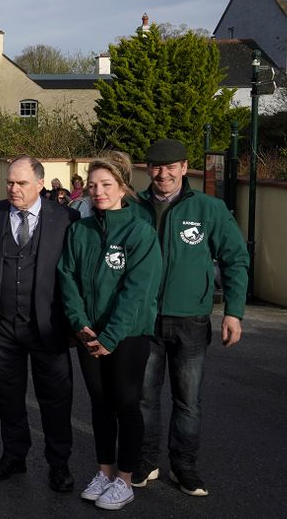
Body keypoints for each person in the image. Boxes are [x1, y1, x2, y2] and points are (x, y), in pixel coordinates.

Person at [130, 139, 249, 497]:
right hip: (145, 320)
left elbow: (235, 259)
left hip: (191, 320)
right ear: (147, 169)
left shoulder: (210, 209)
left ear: (184, 168)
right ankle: (147, 461)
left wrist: (234, 312)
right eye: (155, 166)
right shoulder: (133, 208)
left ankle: (184, 467)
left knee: (188, 400)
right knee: (144, 398)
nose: (162, 173)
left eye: (170, 167)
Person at [0, 155, 80, 492]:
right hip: (2, 327)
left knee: (55, 399)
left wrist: (75, 324)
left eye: (21, 183)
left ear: (41, 184)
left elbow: (74, 277)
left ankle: (59, 464)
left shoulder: (66, 218)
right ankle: (14, 456)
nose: (13, 189)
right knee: (8, 397)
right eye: (10, 182)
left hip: (48, 327)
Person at [57, 153, 162, 510]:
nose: (98, 191)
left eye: (106, 185)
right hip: (89, 334)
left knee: (125, 405)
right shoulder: (80, 230)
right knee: (100, 406)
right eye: (93, 185)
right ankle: (104, 472)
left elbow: (137, 291)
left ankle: (125, 479)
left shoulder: (140, 231)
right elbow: (66, 276)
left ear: (122, 188)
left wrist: (110, 336)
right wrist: (79, 322)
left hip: (127, 336)